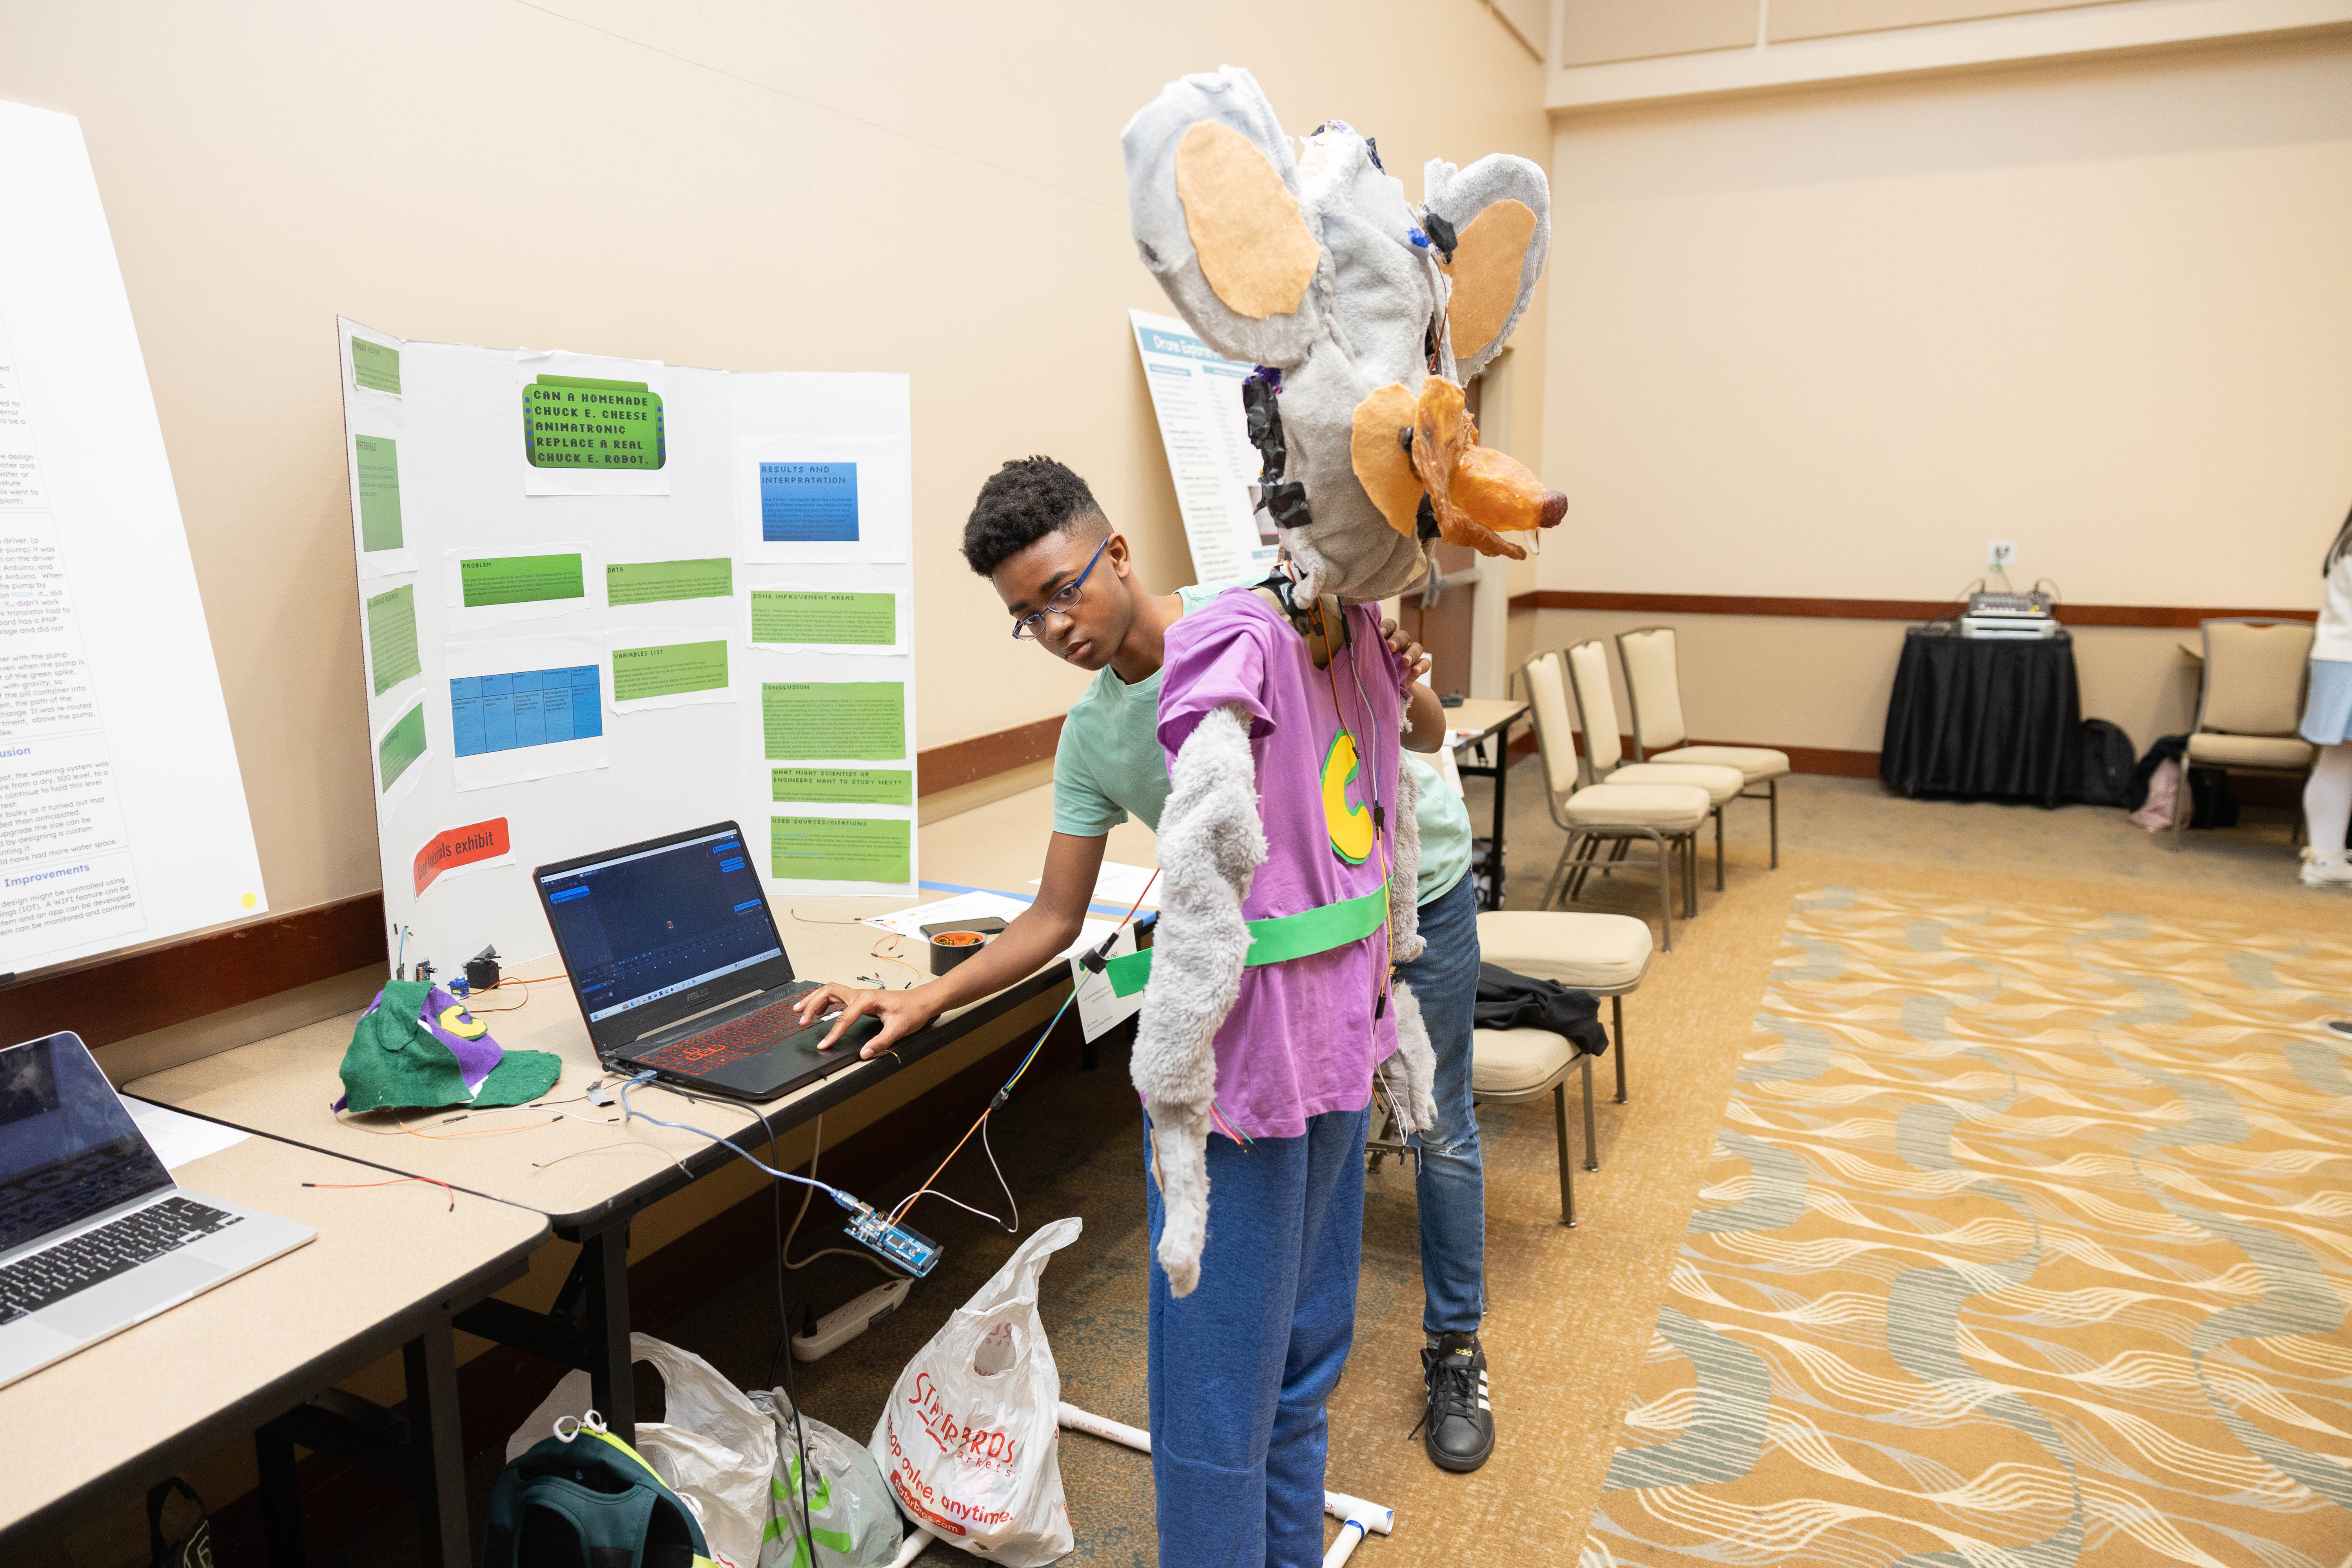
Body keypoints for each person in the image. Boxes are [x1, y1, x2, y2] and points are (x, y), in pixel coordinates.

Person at [790, 457, 1499, 1483]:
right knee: (1284, 1260)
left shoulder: (1261, 613)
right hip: (1290, 968)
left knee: (1441, 1128)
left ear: (1117, 553)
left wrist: (1403, 672)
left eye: (1063, 590)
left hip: (1406, 895)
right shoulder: (1092, 735)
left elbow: (1421, 731)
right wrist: (926, 993)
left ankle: (1457, 1346)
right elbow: (1054, 915)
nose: (1055, 627)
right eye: (1027, 616)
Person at [2301, 504, 2352, 888]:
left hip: (2336, 661)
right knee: (2337, 763)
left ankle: (2326, 857)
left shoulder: (2344, 549)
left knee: (2337, 762)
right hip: (2346, 663)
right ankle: (2324, 857)